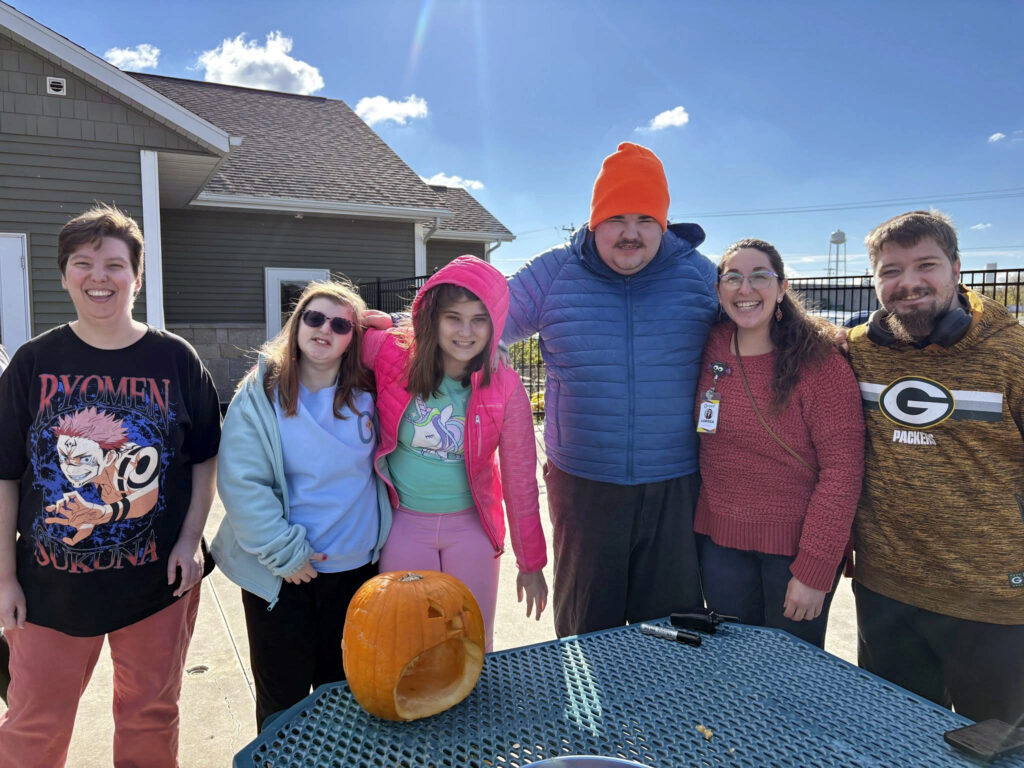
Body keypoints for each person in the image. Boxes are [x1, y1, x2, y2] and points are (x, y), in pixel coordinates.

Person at [0, 204, 221, 767]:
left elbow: (202, 459)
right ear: (65, 274)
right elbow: (4, 476)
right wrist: (3, 576)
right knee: (34, 725)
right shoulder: (31, 362)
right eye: (84, 263)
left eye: (115, 264)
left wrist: (190, 540)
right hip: (48, 590)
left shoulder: (176, 359)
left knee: (151, 716)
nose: (99, 276)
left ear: (137, 277)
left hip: (156, 587)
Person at [503, 142, 717, 637]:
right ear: (594, 221)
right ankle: (586, 716)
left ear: (663, 224)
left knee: (670, 633)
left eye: (645, 218)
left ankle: (668, 716)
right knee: (586, 630)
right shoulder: (554, 271)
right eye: (617, 217)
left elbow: (763, 324)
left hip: (676, 482)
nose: (630, 233)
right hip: (584, 483)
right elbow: (476, 322)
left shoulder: (698, 275)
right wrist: (396, 331)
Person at [848, 209, 1024, 724]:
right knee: (894, 739)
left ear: (957, 268)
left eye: (926, 265)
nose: (909, 283)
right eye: (891, 271)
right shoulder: (859, 351)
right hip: (884, 593)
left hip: (992, 602)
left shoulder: (1012, 354)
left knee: (990, 751)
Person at [212, 280, 390, 730]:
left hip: (355, 574)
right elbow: (241, 481)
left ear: (355, 337)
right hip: (282, 573)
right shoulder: (261, 393)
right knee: (283, 704)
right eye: (313, 318)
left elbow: (428, 346)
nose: (324, 329)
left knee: (344, 697)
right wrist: (283, 553)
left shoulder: (371, 394)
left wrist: (383, 326)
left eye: (340, 323)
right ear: (296, 325)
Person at [363, 255, 548, 651]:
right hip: (404, 526)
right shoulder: (392, 355)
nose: (466, 332)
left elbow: (520, 482)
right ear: (431, 317)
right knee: (410, 643)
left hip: (472, 532)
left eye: (480, 319)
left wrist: (531, 564)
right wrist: (383, 321)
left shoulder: (505, 386)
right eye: (454, 317)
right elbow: (351, 331)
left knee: (471, 643)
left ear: (496, 324)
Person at [694, 239, 864, 647]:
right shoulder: (710, 344)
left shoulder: (820, 363)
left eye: (760, 277)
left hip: (795, 555)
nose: (745, 288)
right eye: (733, 277)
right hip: (720, 548)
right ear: (718, 290)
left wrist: (814, 570)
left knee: (792, 683)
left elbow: (843, 470)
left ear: (782, 287)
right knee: (733, 671)